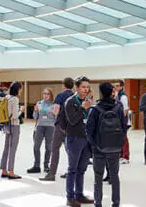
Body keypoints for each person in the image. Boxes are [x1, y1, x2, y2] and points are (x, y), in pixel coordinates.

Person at [86, 83, 127, 207]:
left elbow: (89, 130)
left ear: (101, 93)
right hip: (115, 148)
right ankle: (116, 203)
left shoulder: (95, 109)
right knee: (114, 176)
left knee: (98, 177)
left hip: (99, 148)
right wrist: (120, 144)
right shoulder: (118, 108)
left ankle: (98, 203)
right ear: (112, 92)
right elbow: (124, 128)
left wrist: (94, 145)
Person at [64, 76, 94, 207]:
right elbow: (72, 120)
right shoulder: (70, 101)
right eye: (83, 87)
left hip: (86, 138)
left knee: (82, 169)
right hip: (74, 138)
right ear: (76, 87)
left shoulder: (87, 101)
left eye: (87, 87)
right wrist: (83, 108)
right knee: (72, 169)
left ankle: (79, 194)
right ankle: (70, 197)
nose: (86, 89)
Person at [40, 77, 75, 181]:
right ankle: (71, 172)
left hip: (61, 126)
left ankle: (51, 174)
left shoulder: (60, 96)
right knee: (70, 150)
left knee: (55, 149)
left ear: (63, 85)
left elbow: (55, 111)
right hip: (72, 127)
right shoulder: (74, 96)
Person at [27, 88, 56, 174]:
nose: (46, 95)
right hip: (39, 127)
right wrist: (35, 110)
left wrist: (48, 114)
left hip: (50, 127)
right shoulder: (39, 103)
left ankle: (46, 166)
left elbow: (55, 118)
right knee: (36, 147)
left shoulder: (54, 104)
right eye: (44, 93)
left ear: (50, 95)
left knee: (48, 147)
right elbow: (35, 117)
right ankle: (36, 166)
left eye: (47, 94)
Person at [0, 82, 23, 180]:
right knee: (13, 148)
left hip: (6, 125)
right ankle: (11, 171)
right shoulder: (15, 99)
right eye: (21, 89)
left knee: (6, 147)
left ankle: (4, 170)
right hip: (14, 125)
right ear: (18, 89)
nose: (21, 90)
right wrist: (21, 110)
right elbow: (14, 116)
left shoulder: (7, 97)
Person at [113, 79, 131, 165]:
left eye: (117, 86)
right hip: (119, 120)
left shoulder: (123, 96)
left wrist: (121, 120)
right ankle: (121, 155)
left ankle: (126, 157)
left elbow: (125, 109)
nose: (116, 87)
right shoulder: (117, 94)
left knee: (124, 138)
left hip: (123, 121)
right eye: (115, 86)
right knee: (120, 139)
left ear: (122, 86)